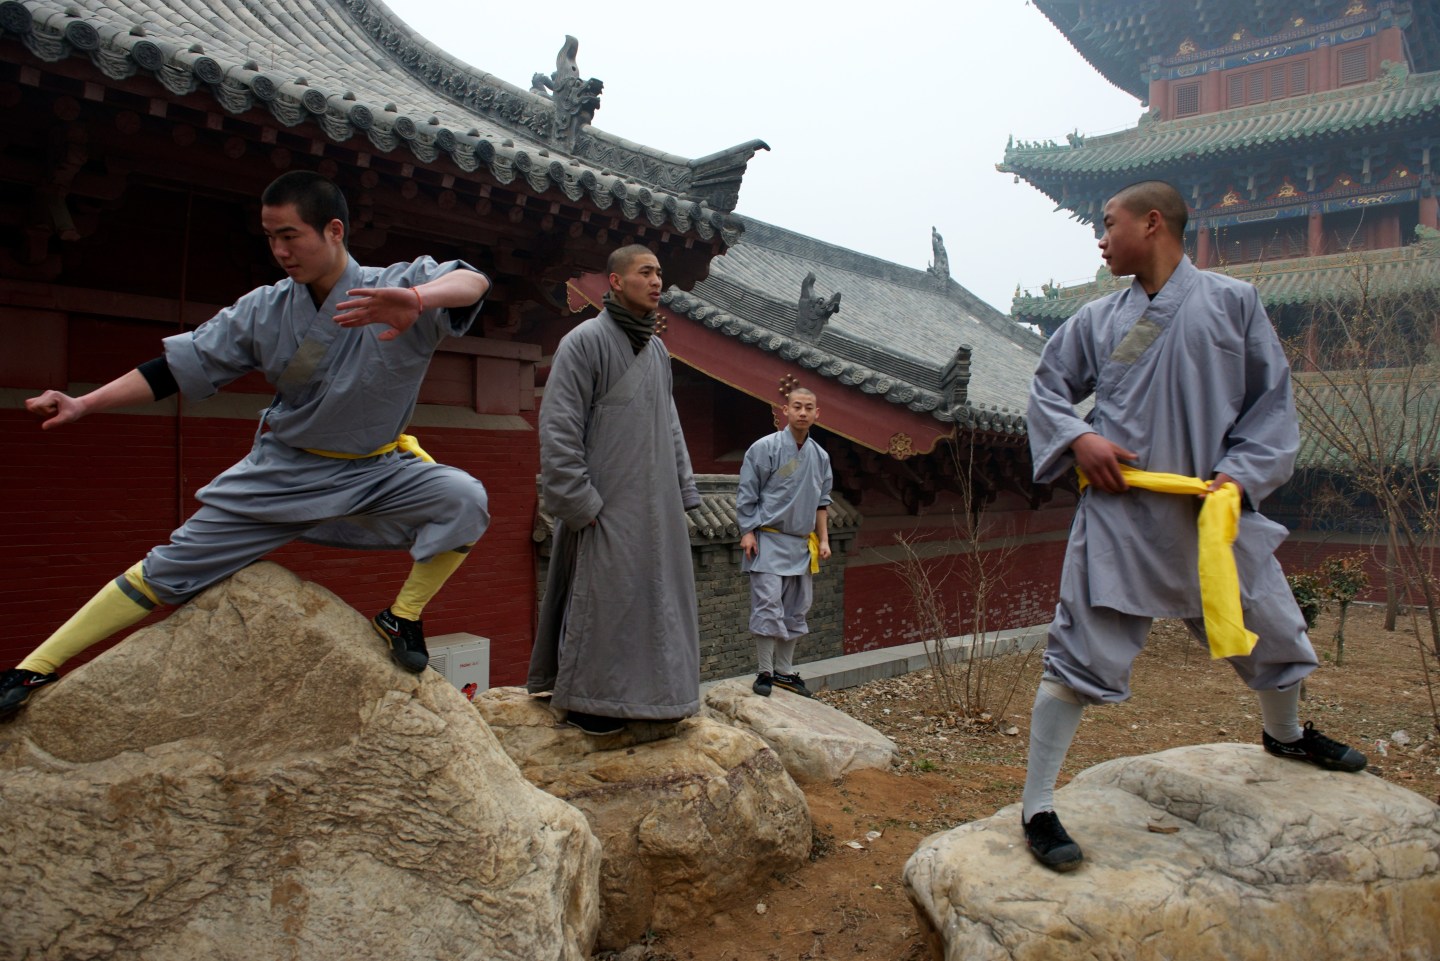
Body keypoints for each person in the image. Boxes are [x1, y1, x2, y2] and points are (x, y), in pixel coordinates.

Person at [0, 171, 491, 716]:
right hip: (283, 473)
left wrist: (418, 299)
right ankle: (34, 667)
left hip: (378, 472)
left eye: (290, 235)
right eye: (271, 238)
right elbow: (172, 370)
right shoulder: (264, 308)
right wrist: (83, 404)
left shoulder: (399, 286)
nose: (279, 251)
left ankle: (401, 617)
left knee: (463, 497)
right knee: (170, 567)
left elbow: (473, 282)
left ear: (334, 231)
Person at [1020, 180, 1366, 872]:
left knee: (1272, 626)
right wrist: (1078, 438)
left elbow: (1271, 405)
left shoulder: (1234, 304)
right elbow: (1046, 389)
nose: (1100, 239)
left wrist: (1241, 475)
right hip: (1121, 514)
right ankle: (1036, 806)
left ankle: (1285, 734)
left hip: (1211, 509)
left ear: (1152, 223)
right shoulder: (1095, 319)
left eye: (1108, 223)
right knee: (1078, 652)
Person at [526, 245, 702, 736]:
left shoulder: (658, 350)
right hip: (606, 502)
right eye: (646, 272)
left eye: (659, 273)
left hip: (656, 501)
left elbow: (670, 423)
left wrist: (683, 489)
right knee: (604, 601)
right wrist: (578, 501)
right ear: (616, 281)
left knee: (659, 601)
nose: (657, 281)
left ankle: (660, 700)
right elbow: (559, 428)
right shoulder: (583, 342)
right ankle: (594, 702)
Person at [736, 388, 832, 697]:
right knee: (767, 604)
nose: (803, 412)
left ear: (817, 413)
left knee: (796, 608)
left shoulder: (820, 456)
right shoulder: (764, 448)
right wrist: (747, 531)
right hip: (768, 538)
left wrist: (824, 540)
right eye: (797, 407)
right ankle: (765, 670)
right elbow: (748, 491)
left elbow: (822, 503)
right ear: (785, 410)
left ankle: (784, 671)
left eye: (809, 407)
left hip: (801, 544)